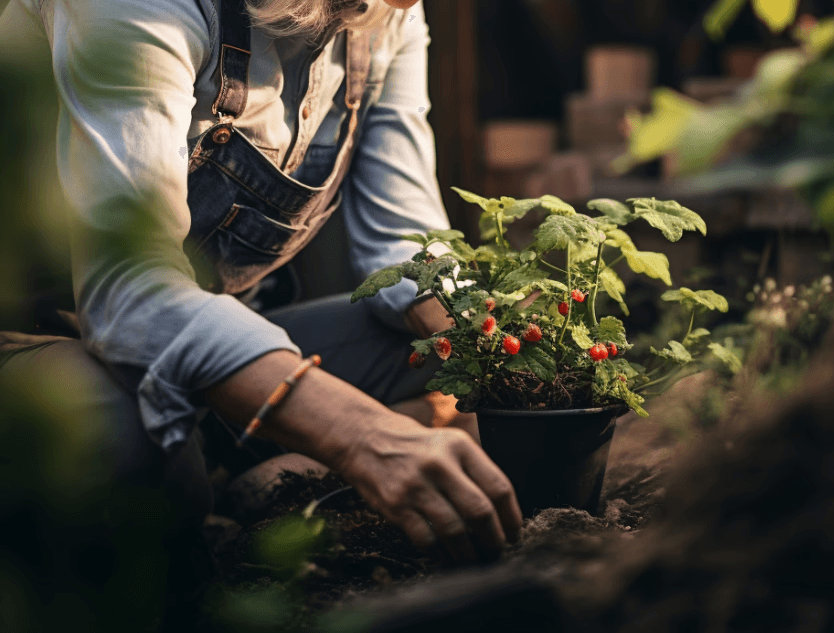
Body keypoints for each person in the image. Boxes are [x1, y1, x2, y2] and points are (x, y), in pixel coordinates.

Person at [0, 0, 521, 568]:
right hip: (37, 336)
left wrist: (490, 342)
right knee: (114, 441)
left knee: (429, 357)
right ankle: (211, 477)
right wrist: (360, 436)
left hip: (205, 338)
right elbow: (129, 287)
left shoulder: (386, 12)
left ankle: (222, 467)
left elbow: (401, 239)